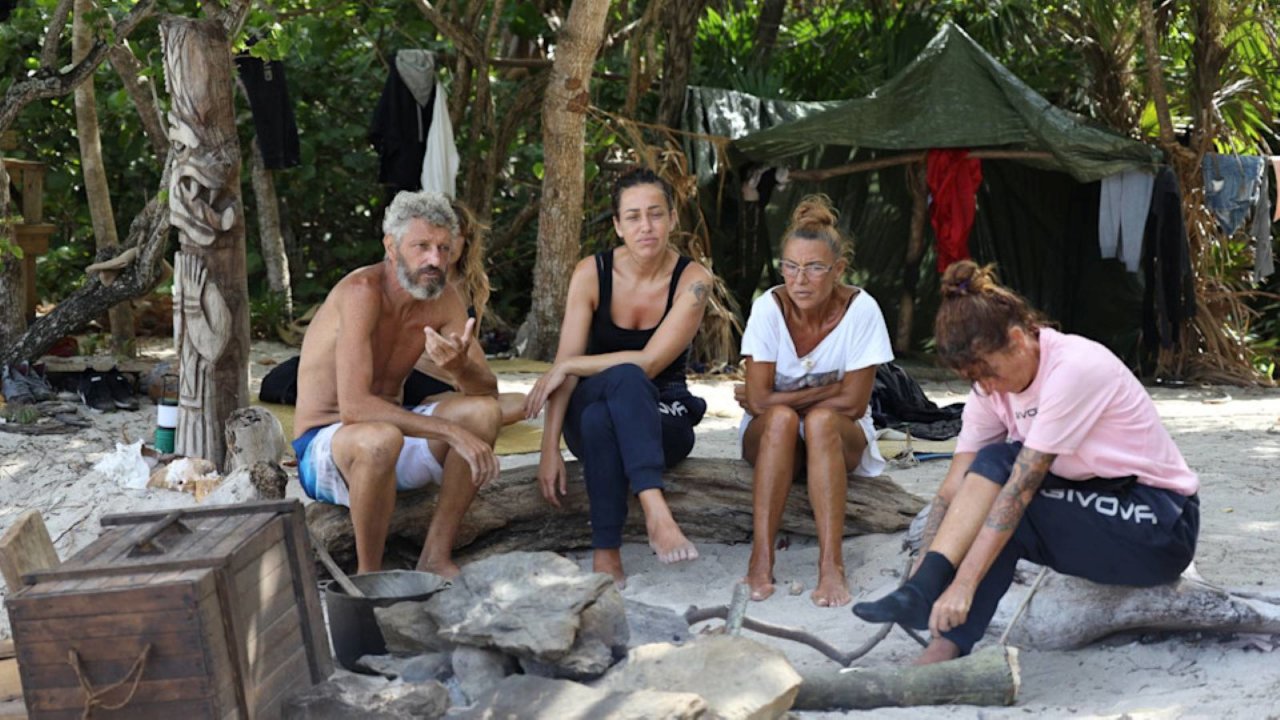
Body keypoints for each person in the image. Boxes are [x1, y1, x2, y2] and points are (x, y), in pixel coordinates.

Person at [852, 260, 1199, 664]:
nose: (987, 388)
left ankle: (941, 616)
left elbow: (1020, 489)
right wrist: (923, 567)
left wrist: (963, 584)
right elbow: (954, 485)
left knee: (1007, 488)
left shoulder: (1074, 368)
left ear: (1018, 340)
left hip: (1159, 523)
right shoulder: (989, 390)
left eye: (990, 374)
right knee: (992, 472)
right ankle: (937, 628)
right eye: (975, 379)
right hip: (1093, 501)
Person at [292, 190, 502, 577]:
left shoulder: (443, 297)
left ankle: (435, 555)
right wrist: (450, 433)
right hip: (328, 447)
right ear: (392, 246)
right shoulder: (362, 292)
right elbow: (354, 408)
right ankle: (369, 575)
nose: (434, 260)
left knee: (483, 413)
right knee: (380, 438)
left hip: (392, 433)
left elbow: (487, 392)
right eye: (421, 246)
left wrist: (460, 370)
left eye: (442, 248)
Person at [524, 167, 712, 586]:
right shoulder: (592, 273)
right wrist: (548, 447)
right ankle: (656, 512)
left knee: (608, 409)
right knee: (609, 393)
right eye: (633, 216)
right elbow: (565, 376)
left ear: (673, 218)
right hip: (592, 396)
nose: (646, 226)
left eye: (655, 214)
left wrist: (570, 364)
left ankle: (606, 550)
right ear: (617, 225)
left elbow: (647, 364)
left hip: (663, 409)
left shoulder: (694, 279)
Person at [737, 195, 893, 607]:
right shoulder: (768, 309)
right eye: (791, 266)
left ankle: (831, 566)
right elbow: (757, 402)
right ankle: (761, 558)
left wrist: (780, 396)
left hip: (838, 441)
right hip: (774, 438)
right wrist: (829, 389)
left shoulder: (862, 310)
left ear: (838, 269)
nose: (800, 280)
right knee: (782, 420)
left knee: (821, 419)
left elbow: (856, 405)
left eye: (814, 268)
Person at [408, 198, 525, 424]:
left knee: (522, 403)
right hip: (419, 376)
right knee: (484, 408)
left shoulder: (476, 284)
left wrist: (467, 378)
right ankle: (433, 411)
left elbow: (472, 343)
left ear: (466, 241)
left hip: (456, 379)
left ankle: (443, 411)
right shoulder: (417, 281)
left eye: (455, 235)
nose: (447, 243)